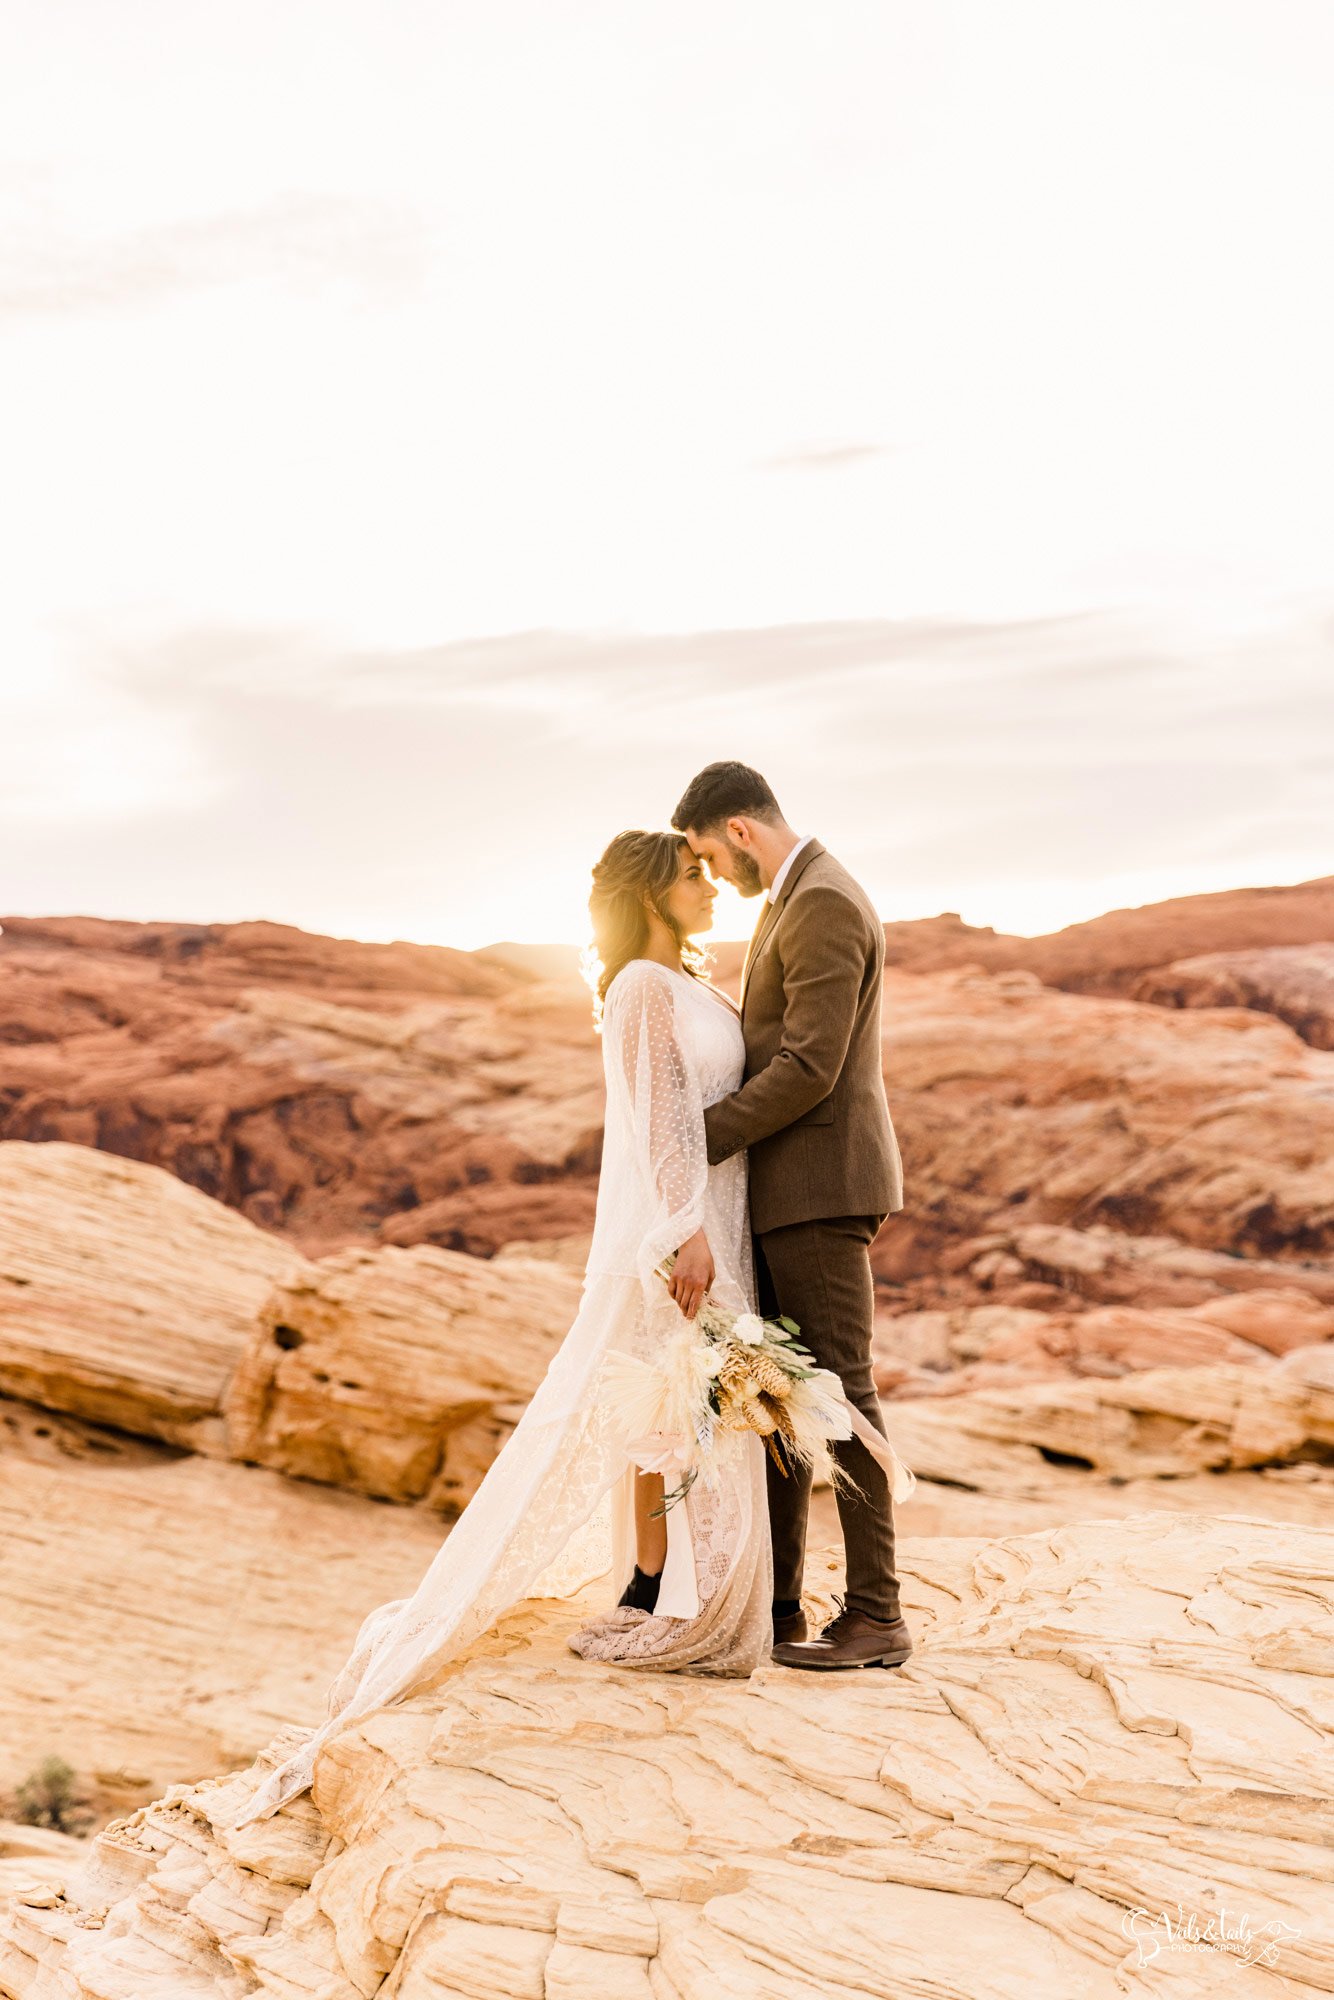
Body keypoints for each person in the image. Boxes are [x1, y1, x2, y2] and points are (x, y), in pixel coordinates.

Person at [230, 828, 773, 1828]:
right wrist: (679, 1230)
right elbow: (660, 1124)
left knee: (671, 1412)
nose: (711, 888)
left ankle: (658, 1601)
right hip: (674, 1229)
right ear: (653, 889)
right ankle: (655, 1605)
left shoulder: (692, 982)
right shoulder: (643, 988)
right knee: (652, 1414)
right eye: (694, 874)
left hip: (715, 1221)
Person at [671, 760, 912, 1670]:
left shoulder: (822, 902)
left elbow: (811, 1065)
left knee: (842, 1393)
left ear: (737, 830)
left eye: (706, 856)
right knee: (780, 1397)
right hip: (787, 1191)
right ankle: (778, 1605)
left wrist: (690, 1139)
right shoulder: (789, 896)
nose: (714, 880)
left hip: (821, 1188)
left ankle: (877, 1615)